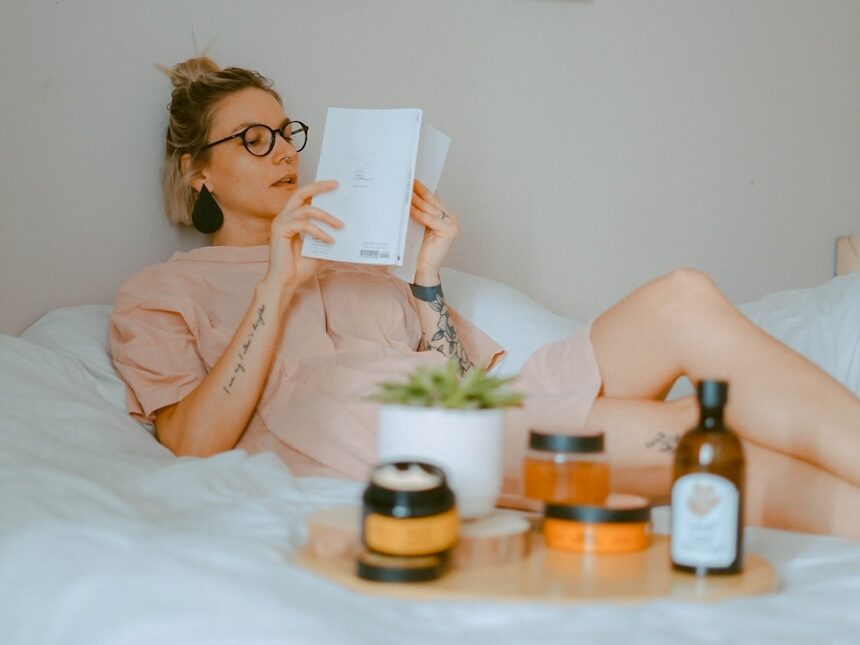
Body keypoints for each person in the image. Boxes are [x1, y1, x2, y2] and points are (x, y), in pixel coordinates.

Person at [109, 57, 860, 538]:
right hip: (375, 439)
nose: (285, 151)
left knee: (683, 297)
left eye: (286, 131)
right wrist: (277, 280)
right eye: (253, 139)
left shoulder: (361, 266)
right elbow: (191, 443)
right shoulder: (163, 290)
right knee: (698, 436)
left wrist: (427, 277)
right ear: (197, 171)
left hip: (473, 415)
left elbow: (461, 385)